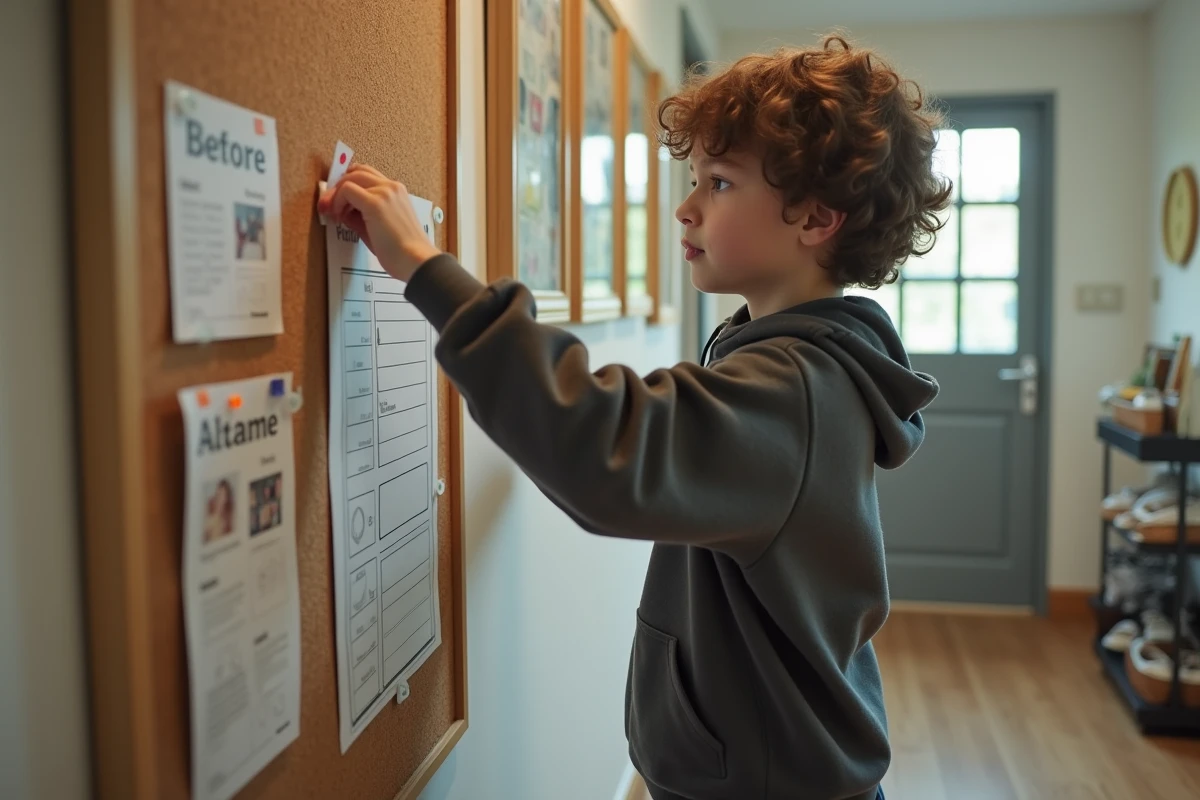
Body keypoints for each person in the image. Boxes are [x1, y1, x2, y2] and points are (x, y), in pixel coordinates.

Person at [319, 33, 946, 800]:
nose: (686, 208)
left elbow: (603, 443)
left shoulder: (797, 389)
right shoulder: (786, 357)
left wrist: (422, 265)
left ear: (815, 218)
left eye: (719, 183)